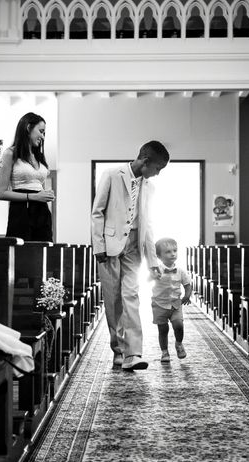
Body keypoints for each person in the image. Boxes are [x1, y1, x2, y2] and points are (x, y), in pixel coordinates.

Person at [91, 140, 170, 371]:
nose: (157, 174)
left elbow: (148, 224)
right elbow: (97, 212)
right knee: (114, 299)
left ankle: (133, 353)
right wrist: (99, 247)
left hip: (134, 246)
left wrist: (153, 261)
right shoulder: (112, 174)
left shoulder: (150, 187)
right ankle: (119, 350)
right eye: (157, 169)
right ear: (145, 161)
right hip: (110, 245)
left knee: (131, 296)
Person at [0, 112, 54, 242]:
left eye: (44, 133)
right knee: (22, 255)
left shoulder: (38, 156)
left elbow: (38, 186)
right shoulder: (10, 153)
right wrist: (33, 197)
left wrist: (45, 194)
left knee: (43, 253)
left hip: (42, 211)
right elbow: (1, 193)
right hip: (21, 210)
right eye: (41, 131)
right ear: (28, 128)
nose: (43, 136)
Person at [150, 238, 192, 363]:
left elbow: (188, 284)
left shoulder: (180, 271)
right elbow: (146, 279)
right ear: (158, 256)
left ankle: (179, 344)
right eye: (168, 252)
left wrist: (187, 295)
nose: (173, 254)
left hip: (175, 304)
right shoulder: (157, 270)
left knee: (179, 325)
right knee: (163, 330)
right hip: (159, 304)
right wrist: (151, 275)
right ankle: (164, 352)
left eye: (175, 251)